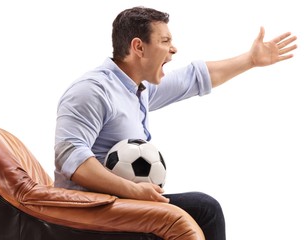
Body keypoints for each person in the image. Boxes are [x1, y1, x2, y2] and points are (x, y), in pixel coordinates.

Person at [54, 6, 297, 240]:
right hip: (89, 213)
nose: (174, 49)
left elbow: (193, 78)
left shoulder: (135, 90)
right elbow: (70, 157)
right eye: (165, 41)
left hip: (121, 203)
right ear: (138, 47)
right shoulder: (92, 91)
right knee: (205, 209)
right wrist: (134, 191)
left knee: (198, 210)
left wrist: (251, 60)